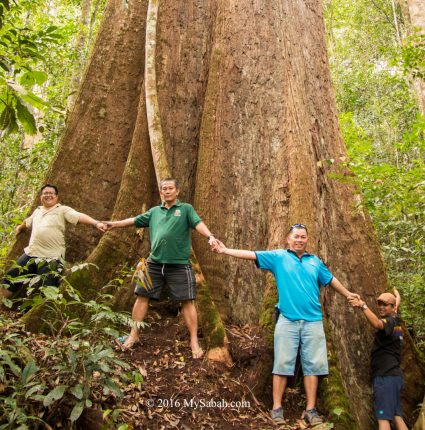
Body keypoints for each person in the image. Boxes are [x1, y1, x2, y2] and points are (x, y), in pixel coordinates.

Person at [212, 224, 358, 426]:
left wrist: (348, 294)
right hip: (287, 320)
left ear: (307, 240)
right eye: (296, 236)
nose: (299, 240)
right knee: (282, 364)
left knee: (313, 367)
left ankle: (311, 410)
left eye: (303, 237)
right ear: (288, 240)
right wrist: (225, 250)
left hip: (313, 321)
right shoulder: (278, 257)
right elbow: (252, 254)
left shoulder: (314, 262)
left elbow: (331, 280)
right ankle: (277, 408)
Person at [102, 178, 218, 358]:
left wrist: (210, 236)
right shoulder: (155, 211)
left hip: (179, 264)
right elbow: (134, 220)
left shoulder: (185, 209)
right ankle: (134, 335)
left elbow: (198, 224)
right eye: (164, 189)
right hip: (154, 263)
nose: (167, 191)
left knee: (187, 300)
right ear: (161, 192)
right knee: (141, 296)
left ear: (177, 191)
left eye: (171, 188)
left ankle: (194, 340)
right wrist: (113, 224)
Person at [0, 184, 106, 301]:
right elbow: (27, 222)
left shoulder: (62, 210)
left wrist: (96, 223)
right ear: (41, 197)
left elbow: (78, 216)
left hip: (52, 258)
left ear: (56, 197)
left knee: (48, 291)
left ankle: (39, 316)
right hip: (31, 253)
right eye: (45, 193)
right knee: (9, 279)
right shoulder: (38, 211)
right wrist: (20, 228)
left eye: (51, 193)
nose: (48, 195)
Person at [349, 289, 408, 430]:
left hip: (385, 377)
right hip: (394, 378)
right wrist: (397, 296)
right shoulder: (397, 320)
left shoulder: (389, 321)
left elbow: (377, 324)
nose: (381, 307)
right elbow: (395, 305)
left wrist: (363, 306)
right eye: (380, 304)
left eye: (385, 305)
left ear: (392, 308)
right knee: (397, 417)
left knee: (383, 419)